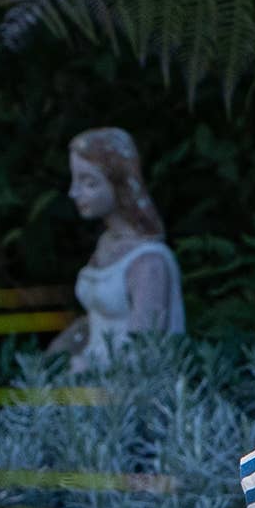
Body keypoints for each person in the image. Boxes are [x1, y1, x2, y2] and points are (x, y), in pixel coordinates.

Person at [49, 126, 184, 364]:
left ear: (119, 185)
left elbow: (144, 348)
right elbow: (96, 321)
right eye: (75, 180)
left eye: (89, 183)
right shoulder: (107, 243)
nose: (73, 192)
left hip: (125, 389)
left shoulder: (148, 262)